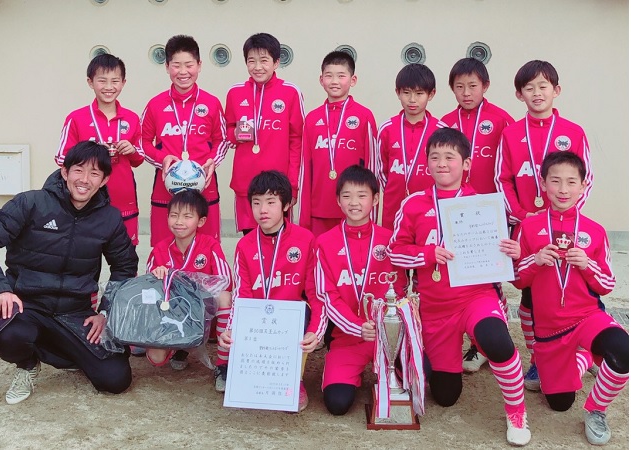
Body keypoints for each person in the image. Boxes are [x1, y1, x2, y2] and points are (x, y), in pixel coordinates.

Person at [388, 128, 531, 446]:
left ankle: (517, 413)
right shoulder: (412, 205)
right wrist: (427, 254)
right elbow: (394, 252)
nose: (441, 164)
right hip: (435, 308)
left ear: (466, 164)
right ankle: (458, 358)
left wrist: (513, 253)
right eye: (434, 157)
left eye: (450, 157)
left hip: (475, 296)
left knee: (497, 342)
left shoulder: (484, 206)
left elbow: (506, 260)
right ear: (426, 164)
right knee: (446, 395)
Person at [0, 141, 138, 405]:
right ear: (65, 172)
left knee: (115, 379)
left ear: (104, 180)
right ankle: (27, 363)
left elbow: (124, 266)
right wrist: (0, 290)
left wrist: (105, 312)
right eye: (78, 170)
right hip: (27, 305)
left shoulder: (110, 218)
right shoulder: (31, 203)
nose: (84, 180)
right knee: (10, 334)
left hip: (74, 310)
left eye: (95, 173)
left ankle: (65, 350)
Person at [514, 152, 627, 445]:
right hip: (550, 330)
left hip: (588, 317)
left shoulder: (595, 231)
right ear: (543, 184)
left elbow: (607, 285)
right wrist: (536, 260)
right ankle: (583, 357)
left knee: (624, 350)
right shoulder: (528, 228)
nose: (563, 189)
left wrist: (588, 265)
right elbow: (517, 279)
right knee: (560, 403)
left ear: (582, 186)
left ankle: (596, 410)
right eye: (555, 181)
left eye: (571, 182)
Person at [495, 60, 594, 391]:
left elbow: (587, 179)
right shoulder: (510, 133)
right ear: (519, 94)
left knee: (579, 287)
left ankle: (587, 346)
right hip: (528, 227)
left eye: (543, 86)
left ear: (556, 90)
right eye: (529, 88)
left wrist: (569, 216)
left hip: (569, 228)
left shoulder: (574, 132)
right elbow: (502, 179)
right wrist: (526, 218)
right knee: (530, 296)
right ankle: (538, 359)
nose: (537, 93)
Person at [219, 170, 325, 412]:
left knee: (302, 314)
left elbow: (317, 293)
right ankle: (250, 381)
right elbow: (241, 294)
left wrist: (316, 332)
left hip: (290, 318)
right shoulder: (244, 245)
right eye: (256, 203)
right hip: (257, 318)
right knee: (241, 323)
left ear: (286, 204)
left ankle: (293, 381)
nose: (262, 210)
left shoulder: (306, 240)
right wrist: (231, 328)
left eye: (270, 202)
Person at [439, 57, 515, 374]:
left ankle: (482, 344)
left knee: (488, 282)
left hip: (487, 216)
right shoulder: (444, 122)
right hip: (453, 213)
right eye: (459, 87)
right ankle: (456, 338)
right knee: (457, 279)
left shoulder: (501, 120)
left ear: (485, 86)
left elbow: (509, 166)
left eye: (472, 86)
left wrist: (508, 212)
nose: (466, 92)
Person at [314, 165, 407, 415]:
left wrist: (385, 325)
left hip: (390, 335)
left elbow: (401, 290)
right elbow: (327, 296)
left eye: (362, 195)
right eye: (346, 196)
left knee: (426, 376)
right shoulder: (324, 243)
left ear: (375, 199)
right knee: (337, 403)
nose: (354, 202)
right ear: (338, 201)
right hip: (348, 337)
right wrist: (357, 326)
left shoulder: (391, 241)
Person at [141, 35, 226, 246]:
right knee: (163, 252)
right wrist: (162, 159)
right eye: (176, 65)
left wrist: (212, 162)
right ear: (167, 66)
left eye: (189, 65)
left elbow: (222, 140)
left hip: (204, 188)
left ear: (199, 65)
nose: (183, 72)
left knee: (206, 251)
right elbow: (141, 142)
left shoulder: (212, 103)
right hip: (165, 191)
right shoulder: (155, 104)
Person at [145, 189, 232, 391]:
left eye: (187, 216)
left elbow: (224, 280)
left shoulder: (210, 245)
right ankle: (180, 347)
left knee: (225, 297)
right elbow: (149, 293)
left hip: (205, 313)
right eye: (174, 215)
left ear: (200, 221)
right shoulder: (159, 249)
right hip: (174, 313)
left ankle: (223, 363)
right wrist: (156, 277)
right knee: (155, 358)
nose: (179, 221)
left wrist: (191, 289)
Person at [55, 53, 145, 246]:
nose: (108, 87)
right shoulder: (76, 118)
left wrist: (131, 151)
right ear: (90, 82)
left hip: (124, 198)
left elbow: (139, 159)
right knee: (84, 259)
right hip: (86, 199)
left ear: (123, 83)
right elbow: (62, 158)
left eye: (115, 81)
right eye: (102, 81)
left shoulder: (131, 118)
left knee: (126, 259)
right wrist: (88, 153)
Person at [224, 33, 305, 235]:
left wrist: (293, 185)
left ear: (276, 62)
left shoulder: (290, 92)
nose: (257, 67)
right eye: (251, 61)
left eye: (264, 60)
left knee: (280, 240)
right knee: (250, 239)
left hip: (278, 186)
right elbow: (227, 132)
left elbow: (297, 141)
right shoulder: (235, 93)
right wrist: (236, 134)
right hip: (245, 184)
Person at [299, 50, 377, 236]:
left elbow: (372, 167)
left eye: (341, 76)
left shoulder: (364, 116)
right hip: (319, 209)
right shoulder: (312, 118)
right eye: (329, 76)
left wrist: (369, 214)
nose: (334, 81)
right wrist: (305, 218)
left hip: (354, 210)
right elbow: (305, 168)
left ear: (353, 80)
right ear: (321, 80)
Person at [376, 63, 440, 230]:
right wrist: (395, 187)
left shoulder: (441, 130)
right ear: (398, 93)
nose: (412, 100)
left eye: (419, 94)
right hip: (393, 208)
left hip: (430, 208)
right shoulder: (387, 129)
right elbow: (381, 171)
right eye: (406, 93)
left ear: (431, 94)